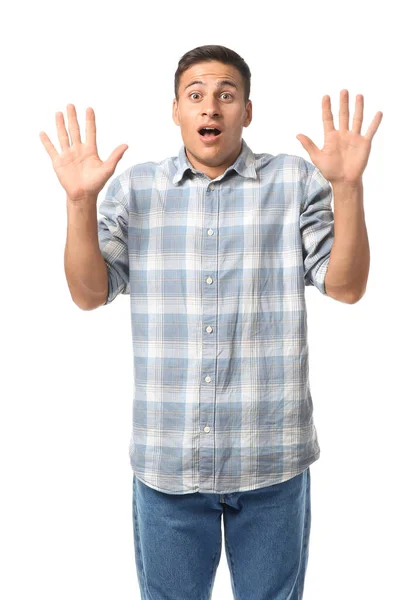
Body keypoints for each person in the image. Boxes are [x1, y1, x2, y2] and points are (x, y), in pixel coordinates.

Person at [40, 44, 382, 600]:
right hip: (168, 460)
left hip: (271, 455)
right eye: (195, 96)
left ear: (248, 110)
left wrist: (347, 188)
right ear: (174, 109)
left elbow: (345, 286)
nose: (211, 108)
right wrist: (81, 202)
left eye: (226, 95)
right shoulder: (135, 189)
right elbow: (88, 292)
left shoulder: (293, 182)